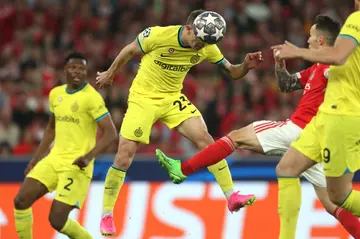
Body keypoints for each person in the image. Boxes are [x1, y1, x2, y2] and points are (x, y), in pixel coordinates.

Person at [156, 15, 360, 238]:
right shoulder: (316, 68)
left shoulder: (334, 65)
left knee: (236, 137)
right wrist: (280, 64)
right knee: (334, 204)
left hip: (299, 130)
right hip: (313, 144)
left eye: (311, 36)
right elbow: (286, 85)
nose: (307, 39)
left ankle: (183, 169)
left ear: (321, 40)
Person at [95, 10, 263, 236]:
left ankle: (231, 196)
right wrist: (110, 73)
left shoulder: (207, 46)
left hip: (173, 98)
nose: (200, 47)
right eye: (199, 41)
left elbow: (232, 72)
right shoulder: (158, 35)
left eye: (205, 44)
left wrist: (245, 65)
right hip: (143, 99)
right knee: (124, 155)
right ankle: (106, 214)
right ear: (188, 29)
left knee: (207, 140)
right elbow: (129, 50)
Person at [271, 2, 360, 239]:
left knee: (338, 196)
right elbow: (288, 84)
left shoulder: (357, 20)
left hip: (343, 116)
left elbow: (338, 56)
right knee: (287, 168)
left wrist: (297, 52)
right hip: (328, 116)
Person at [13, 52, 118, 239]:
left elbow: (111, 133)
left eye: (82, 68)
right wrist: (36, 159)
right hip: (54, 159)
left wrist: (88, 157)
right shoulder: (56, 94)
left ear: (86, 72)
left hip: (76, 165)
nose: (77, 72)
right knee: (21, 201)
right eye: (73, 67)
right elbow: (51, 129)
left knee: (57, 220)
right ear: (65, 70)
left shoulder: (91, 98)